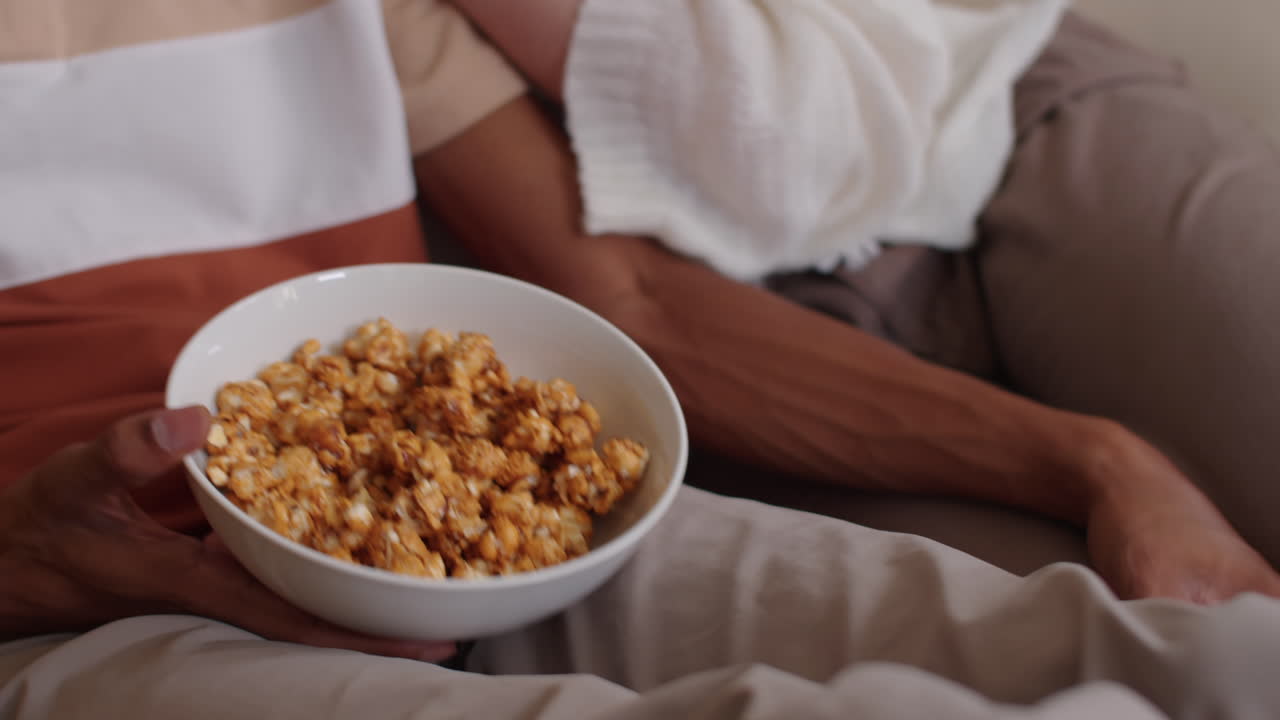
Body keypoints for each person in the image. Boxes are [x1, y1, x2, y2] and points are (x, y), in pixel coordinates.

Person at [0, 0, 1278, 718]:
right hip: (89, 627)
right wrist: (26, 563)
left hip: (482, 556)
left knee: (1149, 657)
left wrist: (1099, 462)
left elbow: (630, 303)